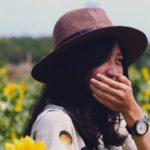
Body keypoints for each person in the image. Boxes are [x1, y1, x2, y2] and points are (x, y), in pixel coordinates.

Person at [24, 7, 150, 150]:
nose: (114, 72)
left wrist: (133, 112)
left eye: (119, 60)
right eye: (101, 59)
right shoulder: (55, 122)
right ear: (74, 68)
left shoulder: (113, 122)